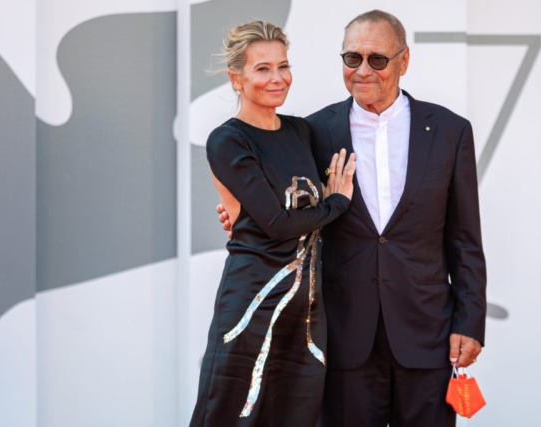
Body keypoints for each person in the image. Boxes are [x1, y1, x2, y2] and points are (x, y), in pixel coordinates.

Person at [219, 9, 486, 427]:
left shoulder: (450, 131)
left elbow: (465, 238)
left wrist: (469, 321)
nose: (363, 70)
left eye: (377, 59)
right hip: (342, 337)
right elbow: (282, 205)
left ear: (403, 60)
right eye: (352, 58)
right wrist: (236, 213)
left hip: (428, 334)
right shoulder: (312, 132)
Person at [190, 20, 356, 427]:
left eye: (283, 66)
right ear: (237, 78)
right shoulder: (228, 140)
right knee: (234, 416)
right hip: (252, 307)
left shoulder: (301, 131)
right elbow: (278, 223)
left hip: (306, 315)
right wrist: (337, 202)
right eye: (262, 68)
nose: (277, 78)